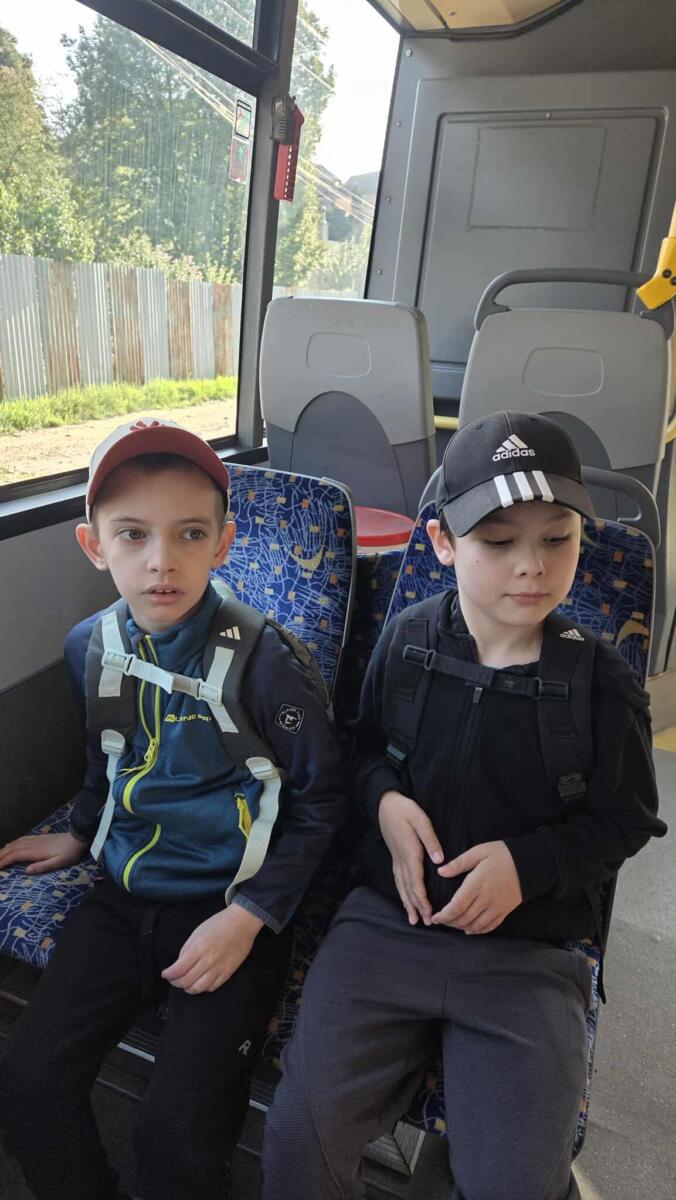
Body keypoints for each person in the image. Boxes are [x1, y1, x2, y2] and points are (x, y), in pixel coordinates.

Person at [261, 411, 666, 1200]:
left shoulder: (601, 684)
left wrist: (528, 866)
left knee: (515, 1182)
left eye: (557, 539)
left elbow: (626, 820)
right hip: (389, 925)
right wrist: (383, 801)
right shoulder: (408, 641)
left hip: (528, 955)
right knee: (299, 1142)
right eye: (498, 541)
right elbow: (362, 750)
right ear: (443, 543)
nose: (531, 566)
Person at [0, 417, 347, 1200]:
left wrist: (252, 915)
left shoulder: (268, 665)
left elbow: (324, 799)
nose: (162, 560)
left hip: (233, 903)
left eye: (190, 534)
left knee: (178, 1141)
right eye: (133, 534)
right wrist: (81, 832)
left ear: (223, 544)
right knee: (27, 1082)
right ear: (95, 546)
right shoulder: (90, 646)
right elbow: (108, 753)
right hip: (124, 893)